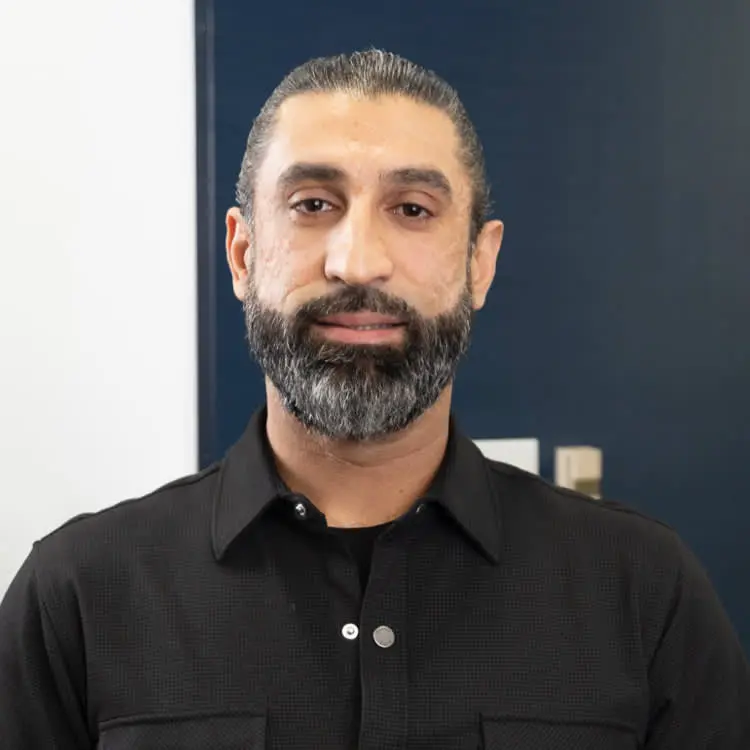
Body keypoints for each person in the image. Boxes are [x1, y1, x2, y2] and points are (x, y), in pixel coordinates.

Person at [1, 49, 748, 750]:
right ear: (241, 252)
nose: (357, 260)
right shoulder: (76, 598)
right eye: (313, 203)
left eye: (414, 209)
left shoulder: (645, 592)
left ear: (479, 263)